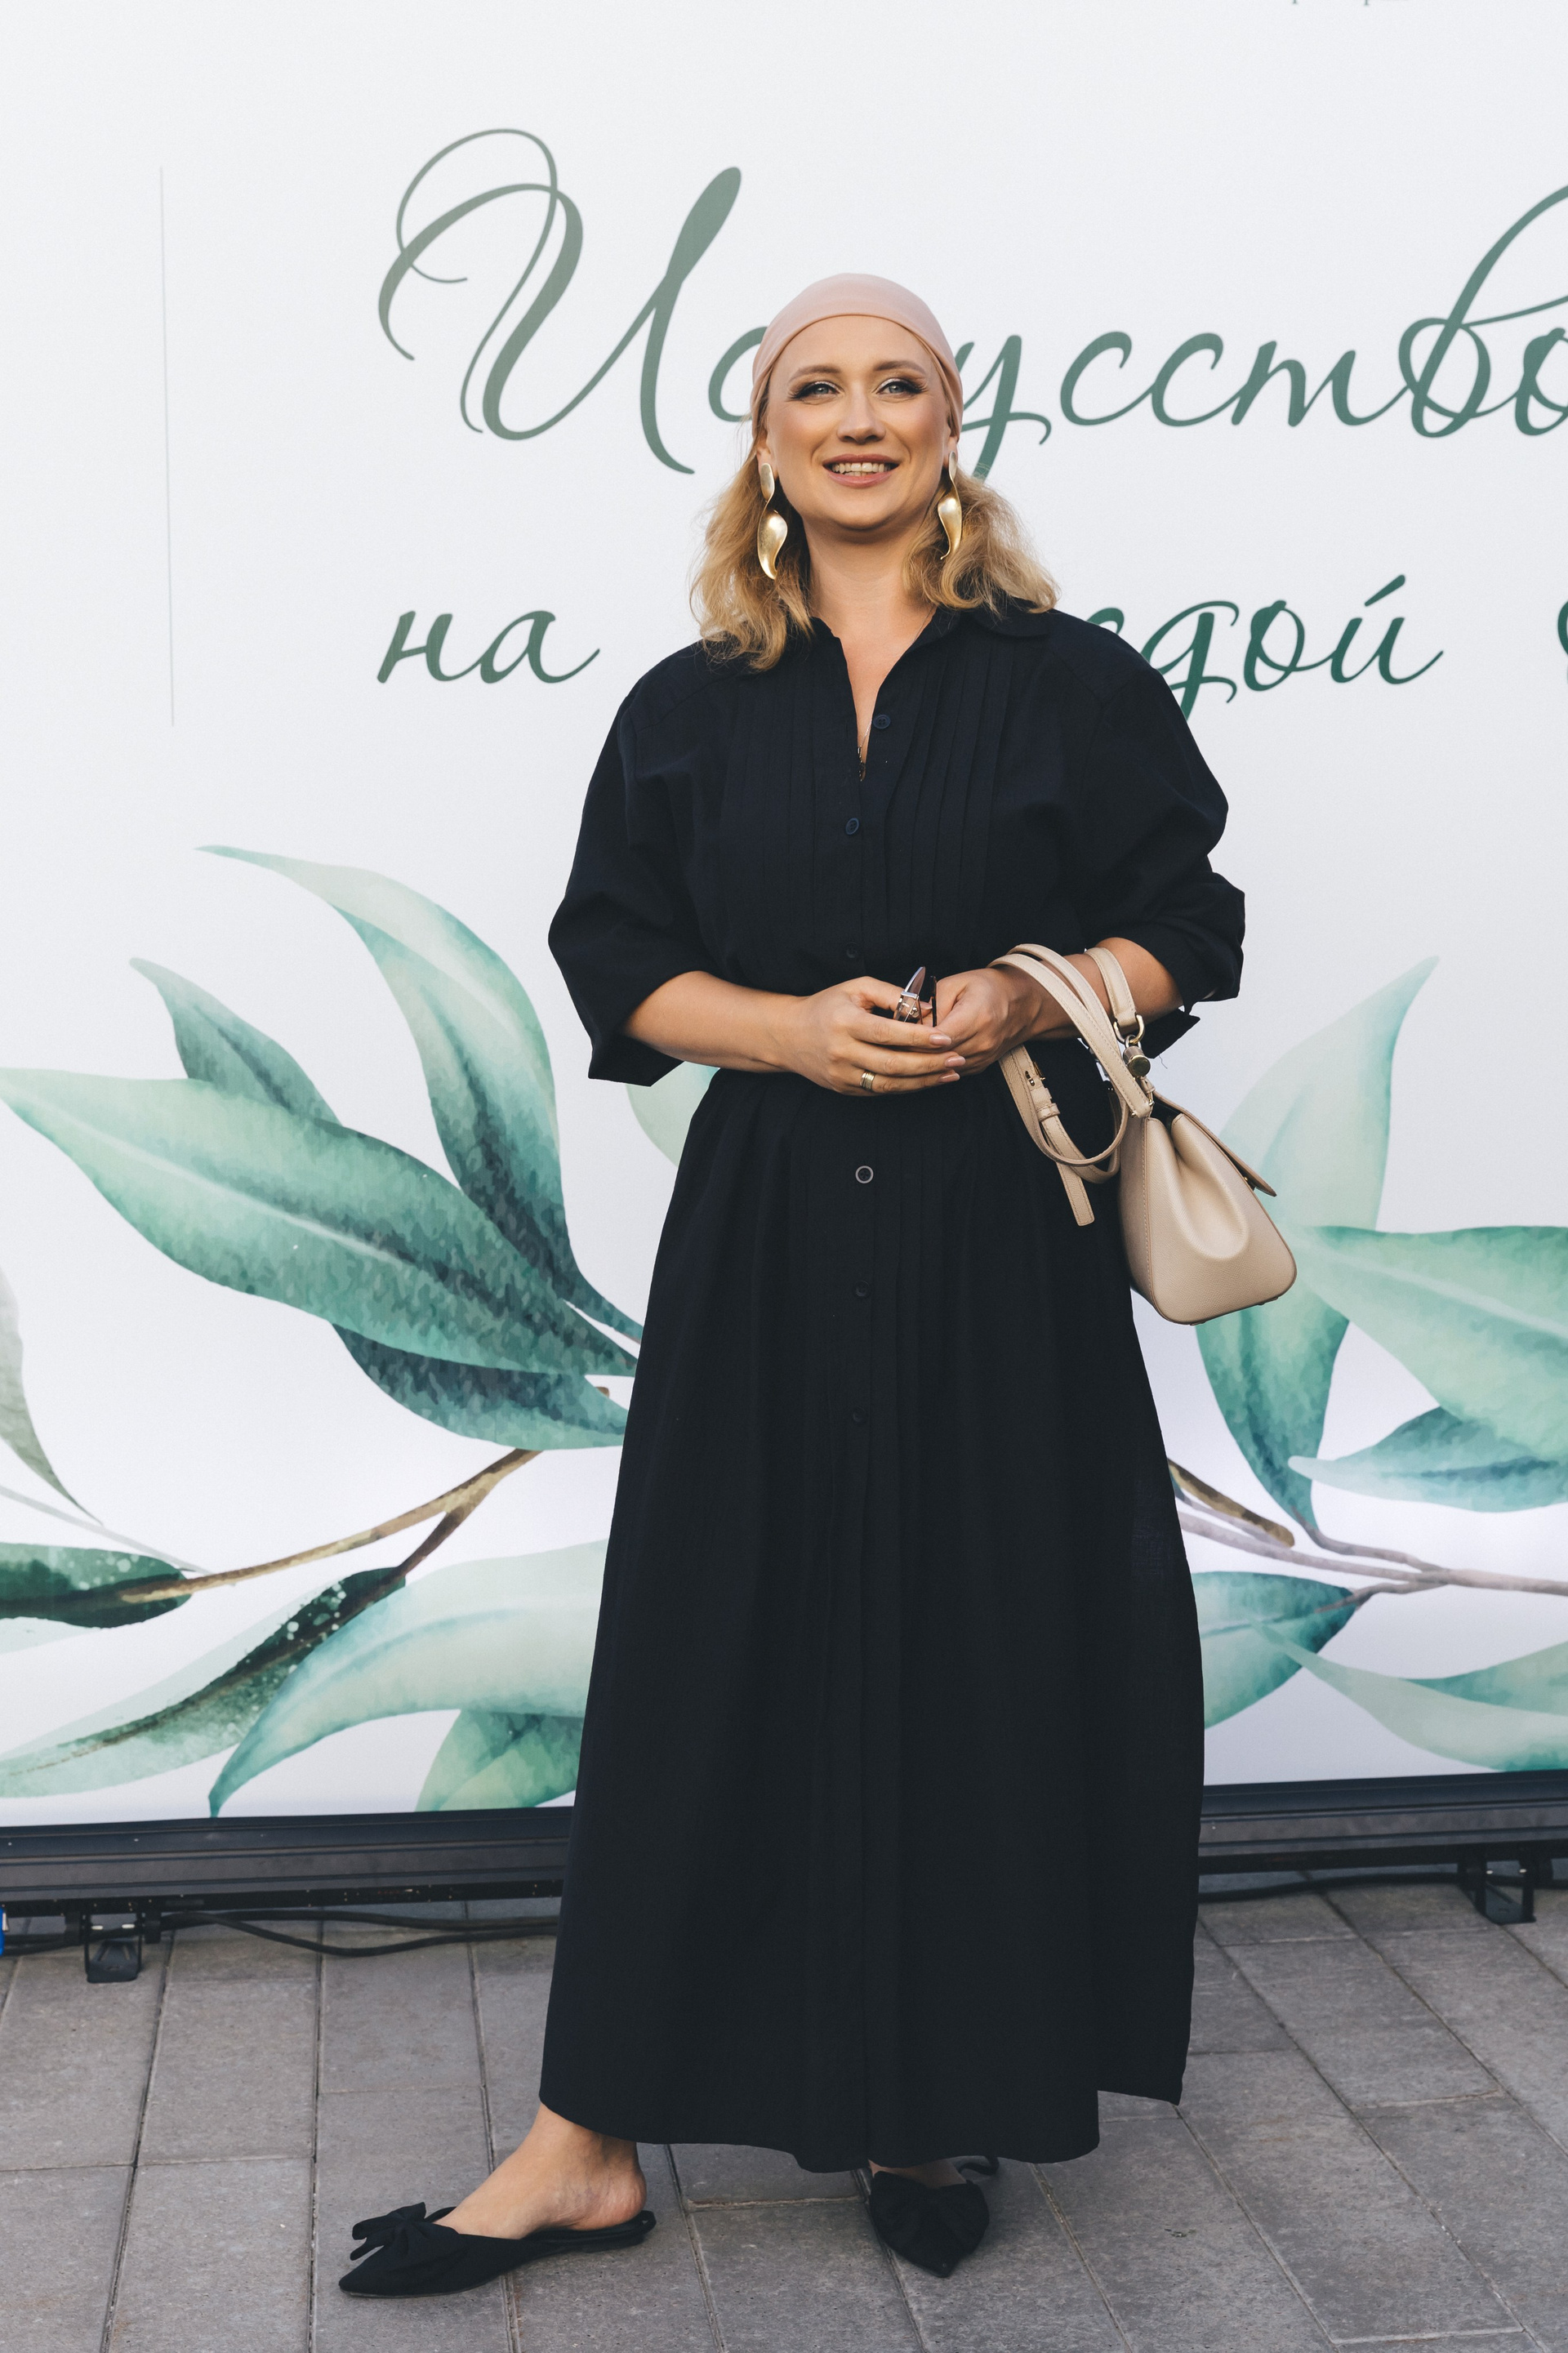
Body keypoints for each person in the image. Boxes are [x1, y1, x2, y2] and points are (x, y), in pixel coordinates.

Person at [341, 273, 1243, 2301]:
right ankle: (583, 2143)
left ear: (951, 423)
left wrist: (1035, 990)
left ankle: (929, 2097)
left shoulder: (1073, 684)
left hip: (1005, 1238)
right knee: (710, 1653)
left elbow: (1192, 920)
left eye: (896, 384)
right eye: (814, 388)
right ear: (764, 440)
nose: (857, 417)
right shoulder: (690, 706)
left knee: (977, 1639)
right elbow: (614, 957)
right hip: (764, 1238)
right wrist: (783, 1029)